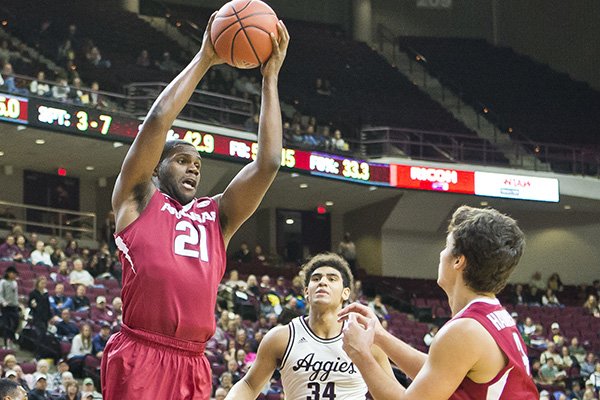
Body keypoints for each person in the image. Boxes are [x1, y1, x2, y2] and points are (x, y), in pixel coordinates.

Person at [101, 14, 289, 400]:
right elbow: (156, 121)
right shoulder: (137, 198)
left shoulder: (216, 217)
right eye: (182, 160)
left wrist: (269, 79)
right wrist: (205, 57)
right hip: (141, 350)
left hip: (193, 361)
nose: (193, 168)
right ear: (157, 167)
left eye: (198, 165)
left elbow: (268, 163)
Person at [339, 206, 539, 399]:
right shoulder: (492, 314)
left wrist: (360, 354)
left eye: (446, 246)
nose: (441, 254)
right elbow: (439, 371)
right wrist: (380, 336)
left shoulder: (466, 330)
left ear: (458, 261)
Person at [225, 253, 392, 399]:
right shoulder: (281, 338)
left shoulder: (367, 340)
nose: (323, 282)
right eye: (316, 278)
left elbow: (392, 395)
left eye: (332, 279)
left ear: (346, 292)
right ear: (306, 292)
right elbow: (249, 385)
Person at [0, 266, 20, 349]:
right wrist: (3, 302)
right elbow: (0, 294)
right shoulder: (3, 282)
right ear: (8, 273)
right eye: (13, 273)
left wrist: (18, 303)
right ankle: (5, 342)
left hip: (14, 306)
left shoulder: (15, 283)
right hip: (6, 307)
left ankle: (11, 338)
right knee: (6, 324)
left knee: (16, 322)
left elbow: (15, 294)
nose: (14, 275)